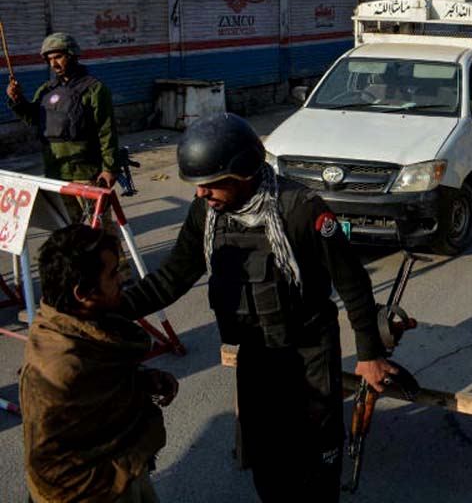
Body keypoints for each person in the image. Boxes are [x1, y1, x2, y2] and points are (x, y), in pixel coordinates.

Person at [115, 113, 395, 502]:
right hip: (256, 355)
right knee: (266, 460)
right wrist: (104, 312)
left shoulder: (301, 209)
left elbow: (352, 283)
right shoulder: (207, 214)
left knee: (316, 459)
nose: (201, 195)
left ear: (243, 172)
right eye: (197, 186)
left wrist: (369, 353)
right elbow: (171, 279)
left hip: (309, 351)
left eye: (210, 185)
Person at [20, 224, 178, 503]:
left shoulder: (77, 321)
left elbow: (95, 389)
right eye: (113, 273)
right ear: (83, 293)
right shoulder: (59, 371)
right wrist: (128, 465)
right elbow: (51, 474)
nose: (121, 280)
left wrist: (140, 381)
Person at [6, 33, 119, 221]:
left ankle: (112, 252)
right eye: (49, 59)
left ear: (73, 55)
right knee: (69, 226)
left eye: (58, 57)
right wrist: (17, 100)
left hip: (86, 173)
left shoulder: (95, 89)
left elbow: (106, 131)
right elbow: (34, 118)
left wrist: (109, 168)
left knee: (98, 228)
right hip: (56, 172)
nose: (53, 64)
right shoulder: (46, 90)